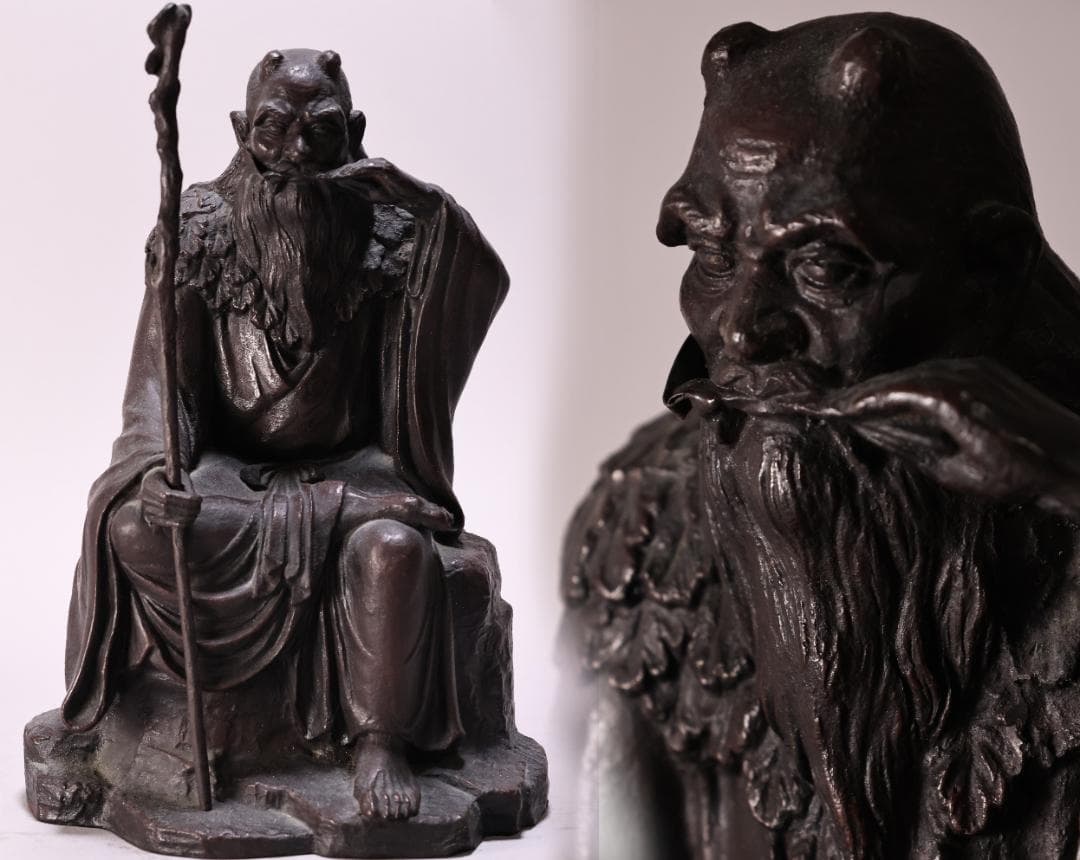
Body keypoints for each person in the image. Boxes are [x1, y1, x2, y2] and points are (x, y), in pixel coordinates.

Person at [565, 14, 1080, 858]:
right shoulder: (641, 538)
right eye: (714, 256)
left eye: (825, 269)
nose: (742, 330)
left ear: (991, 269)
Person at [62, 47, 508, 821]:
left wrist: (421, 200)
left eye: (321, 132)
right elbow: (160, 392)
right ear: (242, 130)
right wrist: (161, 470)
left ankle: (378, 742)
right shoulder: (196, 227)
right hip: (232, 477)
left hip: (358, 468)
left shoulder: (392, 229)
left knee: (394, 549)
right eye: (275, 129)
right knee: (132, 528)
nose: (298, 153)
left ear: (354, 132)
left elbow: (477, 280)